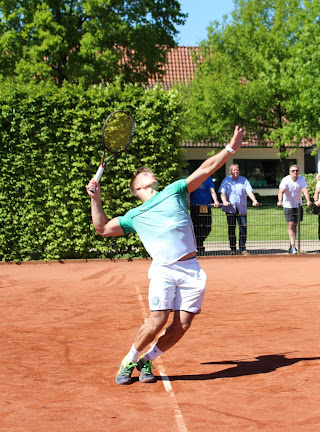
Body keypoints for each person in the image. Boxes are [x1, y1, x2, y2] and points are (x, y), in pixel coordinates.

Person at [86, 126, 243, 385]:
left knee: (182, 325)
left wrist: (230, 149)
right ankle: (129, 361)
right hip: (164, 270)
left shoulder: (174, 190)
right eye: (144, 174)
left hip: (191, 269)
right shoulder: (134, 216)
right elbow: (102, 228)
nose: (149, 172)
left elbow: (205, 169)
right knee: (158, 320)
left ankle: (147, 360)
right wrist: (96, 198)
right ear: (137, 187)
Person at [219, 164, 260, 255]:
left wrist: (254, 200)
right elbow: (222, 193)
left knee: (243, 227)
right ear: (230, 172)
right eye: (233, 170)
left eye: (237, 170)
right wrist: (224, 201)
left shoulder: (244, 180)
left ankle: (242, 248)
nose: (236, 172)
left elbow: (249, 191)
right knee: (231, 228)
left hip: (241, 208)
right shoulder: (226, 181)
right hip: (230, 208)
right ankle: (232, 249)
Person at [277, 164, 312, 254]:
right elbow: (281, 191)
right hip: (288, 205)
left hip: (298, 205)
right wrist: (280, 201)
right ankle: (293, 246)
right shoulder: (285, 180)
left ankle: (291, 245)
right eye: (293, 171)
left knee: (295, 225)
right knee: (291, 224)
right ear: (290, 172)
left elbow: (305, 190)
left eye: (296, 170)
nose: (295, 172)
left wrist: (308, 200)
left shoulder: (301, 179)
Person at [188, 176, 220, 256]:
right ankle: (199, 246)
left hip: (205, 206)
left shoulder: (208, 178)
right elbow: (189, 191)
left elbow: (212, 190)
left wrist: (215, 201)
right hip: (195, 205)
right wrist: (188, 201)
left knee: (207, 226)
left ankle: (199, 242)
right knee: (196, 226)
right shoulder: (194, 177)